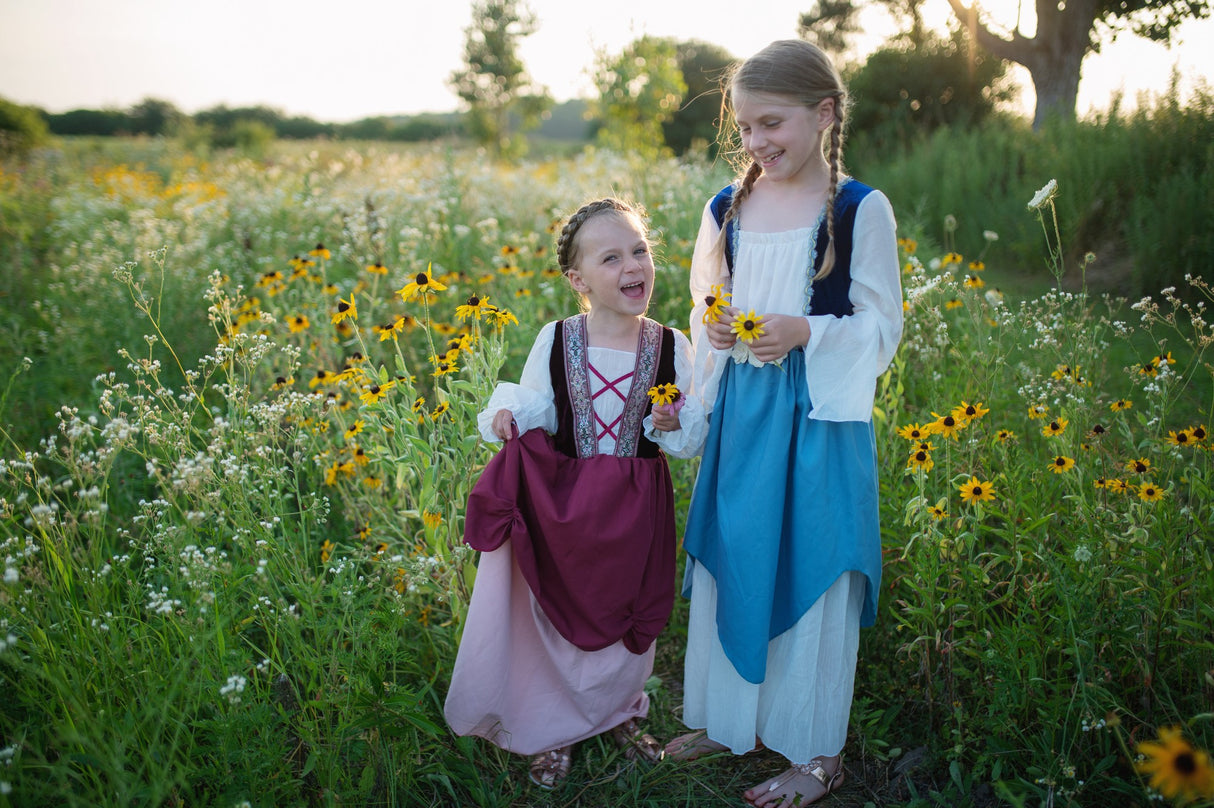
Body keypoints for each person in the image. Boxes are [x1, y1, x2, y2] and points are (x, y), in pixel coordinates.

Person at [662, 39, 904, 807]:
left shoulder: (859, 207)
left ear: (824, 113)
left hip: (819, 423)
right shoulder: (726, 208)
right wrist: (720, 329)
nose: (760, 142)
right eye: (747, 128)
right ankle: (726, 719)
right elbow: (706, 304)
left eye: (774, 122)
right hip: (744, 417)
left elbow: (880, 325)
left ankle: (812, 750)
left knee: (813, 560)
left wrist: (807, 331)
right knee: (737, 554)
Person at [444, 198, 709, 790]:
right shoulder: (559, 338)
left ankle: (615, 711)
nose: (631, 266)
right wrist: (508, 416)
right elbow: (532, 402)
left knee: (625, 616)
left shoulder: (671, 346)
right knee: (557, 617)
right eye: (610, 257)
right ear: (578, 279)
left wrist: (672, 423)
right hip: (565, 505)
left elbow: (691, 437)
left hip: (635, 506)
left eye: (638, 251)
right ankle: (554, 728)